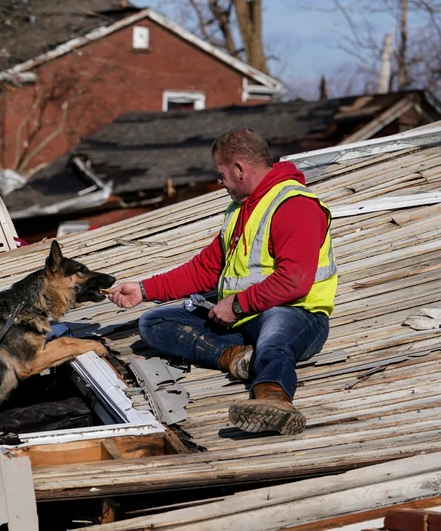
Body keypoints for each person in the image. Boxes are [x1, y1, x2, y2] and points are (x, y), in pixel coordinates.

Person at [108, 128, 337, 435]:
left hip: (297, 315)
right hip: (243, 317)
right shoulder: (240, 208)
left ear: (240, 168)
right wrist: (145, 289)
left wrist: (239, 304)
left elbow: (294, 281)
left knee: (274, 338)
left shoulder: (295, 205)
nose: (219, 182)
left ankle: (273, 398)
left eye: (221, 174)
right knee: (154, 323)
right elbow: (204, 270)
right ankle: (237, 358)